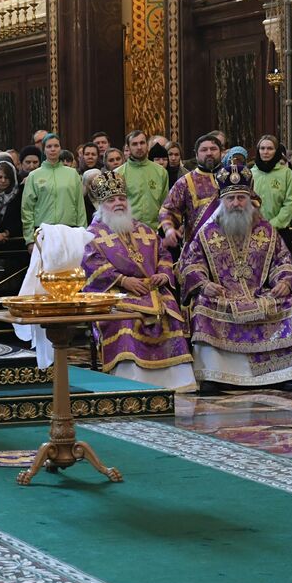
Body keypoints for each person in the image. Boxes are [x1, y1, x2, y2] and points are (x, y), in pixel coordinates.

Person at [178, 166, 292, 392]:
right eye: (230, 198)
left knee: (288, 302)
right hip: (222, 294)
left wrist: (283, 281)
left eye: (241, 198)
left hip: (259, 293)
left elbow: (281, 259)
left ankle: (286, 373)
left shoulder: (267, 230)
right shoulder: (207, 232)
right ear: (222, 201)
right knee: (204, 304)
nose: (236, 203)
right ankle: (215, 374)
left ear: (250, 199)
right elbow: (191, 263)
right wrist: (204, 284)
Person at [81, 171, 196, 391]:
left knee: (170, 310)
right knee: (127, 319)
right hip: (115, 293)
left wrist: (163, 274)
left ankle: (177, 380)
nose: (118, 203)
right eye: (111, 200)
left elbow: (163, 254)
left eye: (121, 199)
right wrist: (123, 280)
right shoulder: (92, 234)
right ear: (101, 205)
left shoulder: (144, 229)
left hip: (151, 290)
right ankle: (131, 379)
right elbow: (90, 265)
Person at [159, 132, 224, 251]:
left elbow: (253, 203)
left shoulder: (232, 178)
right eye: (204, 150)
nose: (209, 153)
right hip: (197, 247)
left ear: (221, 152)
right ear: (196, 154)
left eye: (213, 149)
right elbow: (168, 210)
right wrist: (169, 229)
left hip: (229, 246)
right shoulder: (185, 182)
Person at [20, 132, 86, 246]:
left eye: (56, 146)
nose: (53, 149)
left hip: (69, 230)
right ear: (44, 150)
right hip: (43, 232)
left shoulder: (72, 174)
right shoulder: (34, 176)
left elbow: (80, 205)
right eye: (49, 146)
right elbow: (27, 209)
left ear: (60, 148)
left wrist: (83, 232)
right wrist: (30, 239)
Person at [117, 131, 168, 230]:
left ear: (147, 145)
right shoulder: (118, 174)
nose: (139, 147)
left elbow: (165, 204)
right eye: (135, 144)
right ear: (128, 148)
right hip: (129, 230)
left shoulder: (161, 171)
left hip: (155, 230)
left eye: (142, 143)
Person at [252, 135, 292, 229]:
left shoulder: (286, 173)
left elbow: (290, 203)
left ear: (276, 151)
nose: (265, 152)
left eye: (270, 148)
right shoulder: (251, 173)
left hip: (279, 228)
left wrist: (273, 224)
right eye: (262, 148)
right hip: (253, 227)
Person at [0, 157, 23, 243]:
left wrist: (7, 233)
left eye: (7, 177)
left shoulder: (19, 194)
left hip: (14, 242)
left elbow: (22, 218)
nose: (3, 180)